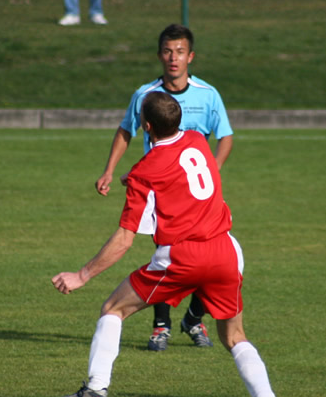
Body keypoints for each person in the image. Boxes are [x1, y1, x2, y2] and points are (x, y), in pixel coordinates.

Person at [52, 92, 283, 397]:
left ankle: (96, 388)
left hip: (183, 257)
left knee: (113, 309)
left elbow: (124, 240)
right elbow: (174, 170)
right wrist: (132, 178)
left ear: (146, 126)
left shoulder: (144, 173)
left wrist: (82, 275)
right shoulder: (196, 140)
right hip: (225, 251)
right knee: (234, 336)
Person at [95, 24, 234, 351]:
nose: (174, 58)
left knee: (207, 252)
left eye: (180, 51)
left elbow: (225, 135)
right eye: (168, 51)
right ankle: (161, 326)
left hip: (199, 192)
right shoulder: (145, 95)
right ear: (160, 55)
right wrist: (108, 170)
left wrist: (212, 169)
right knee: (166, 254)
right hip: (160, 190)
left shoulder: (208, 94)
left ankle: (194, 318)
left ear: (191, 57)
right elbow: (125, 130)